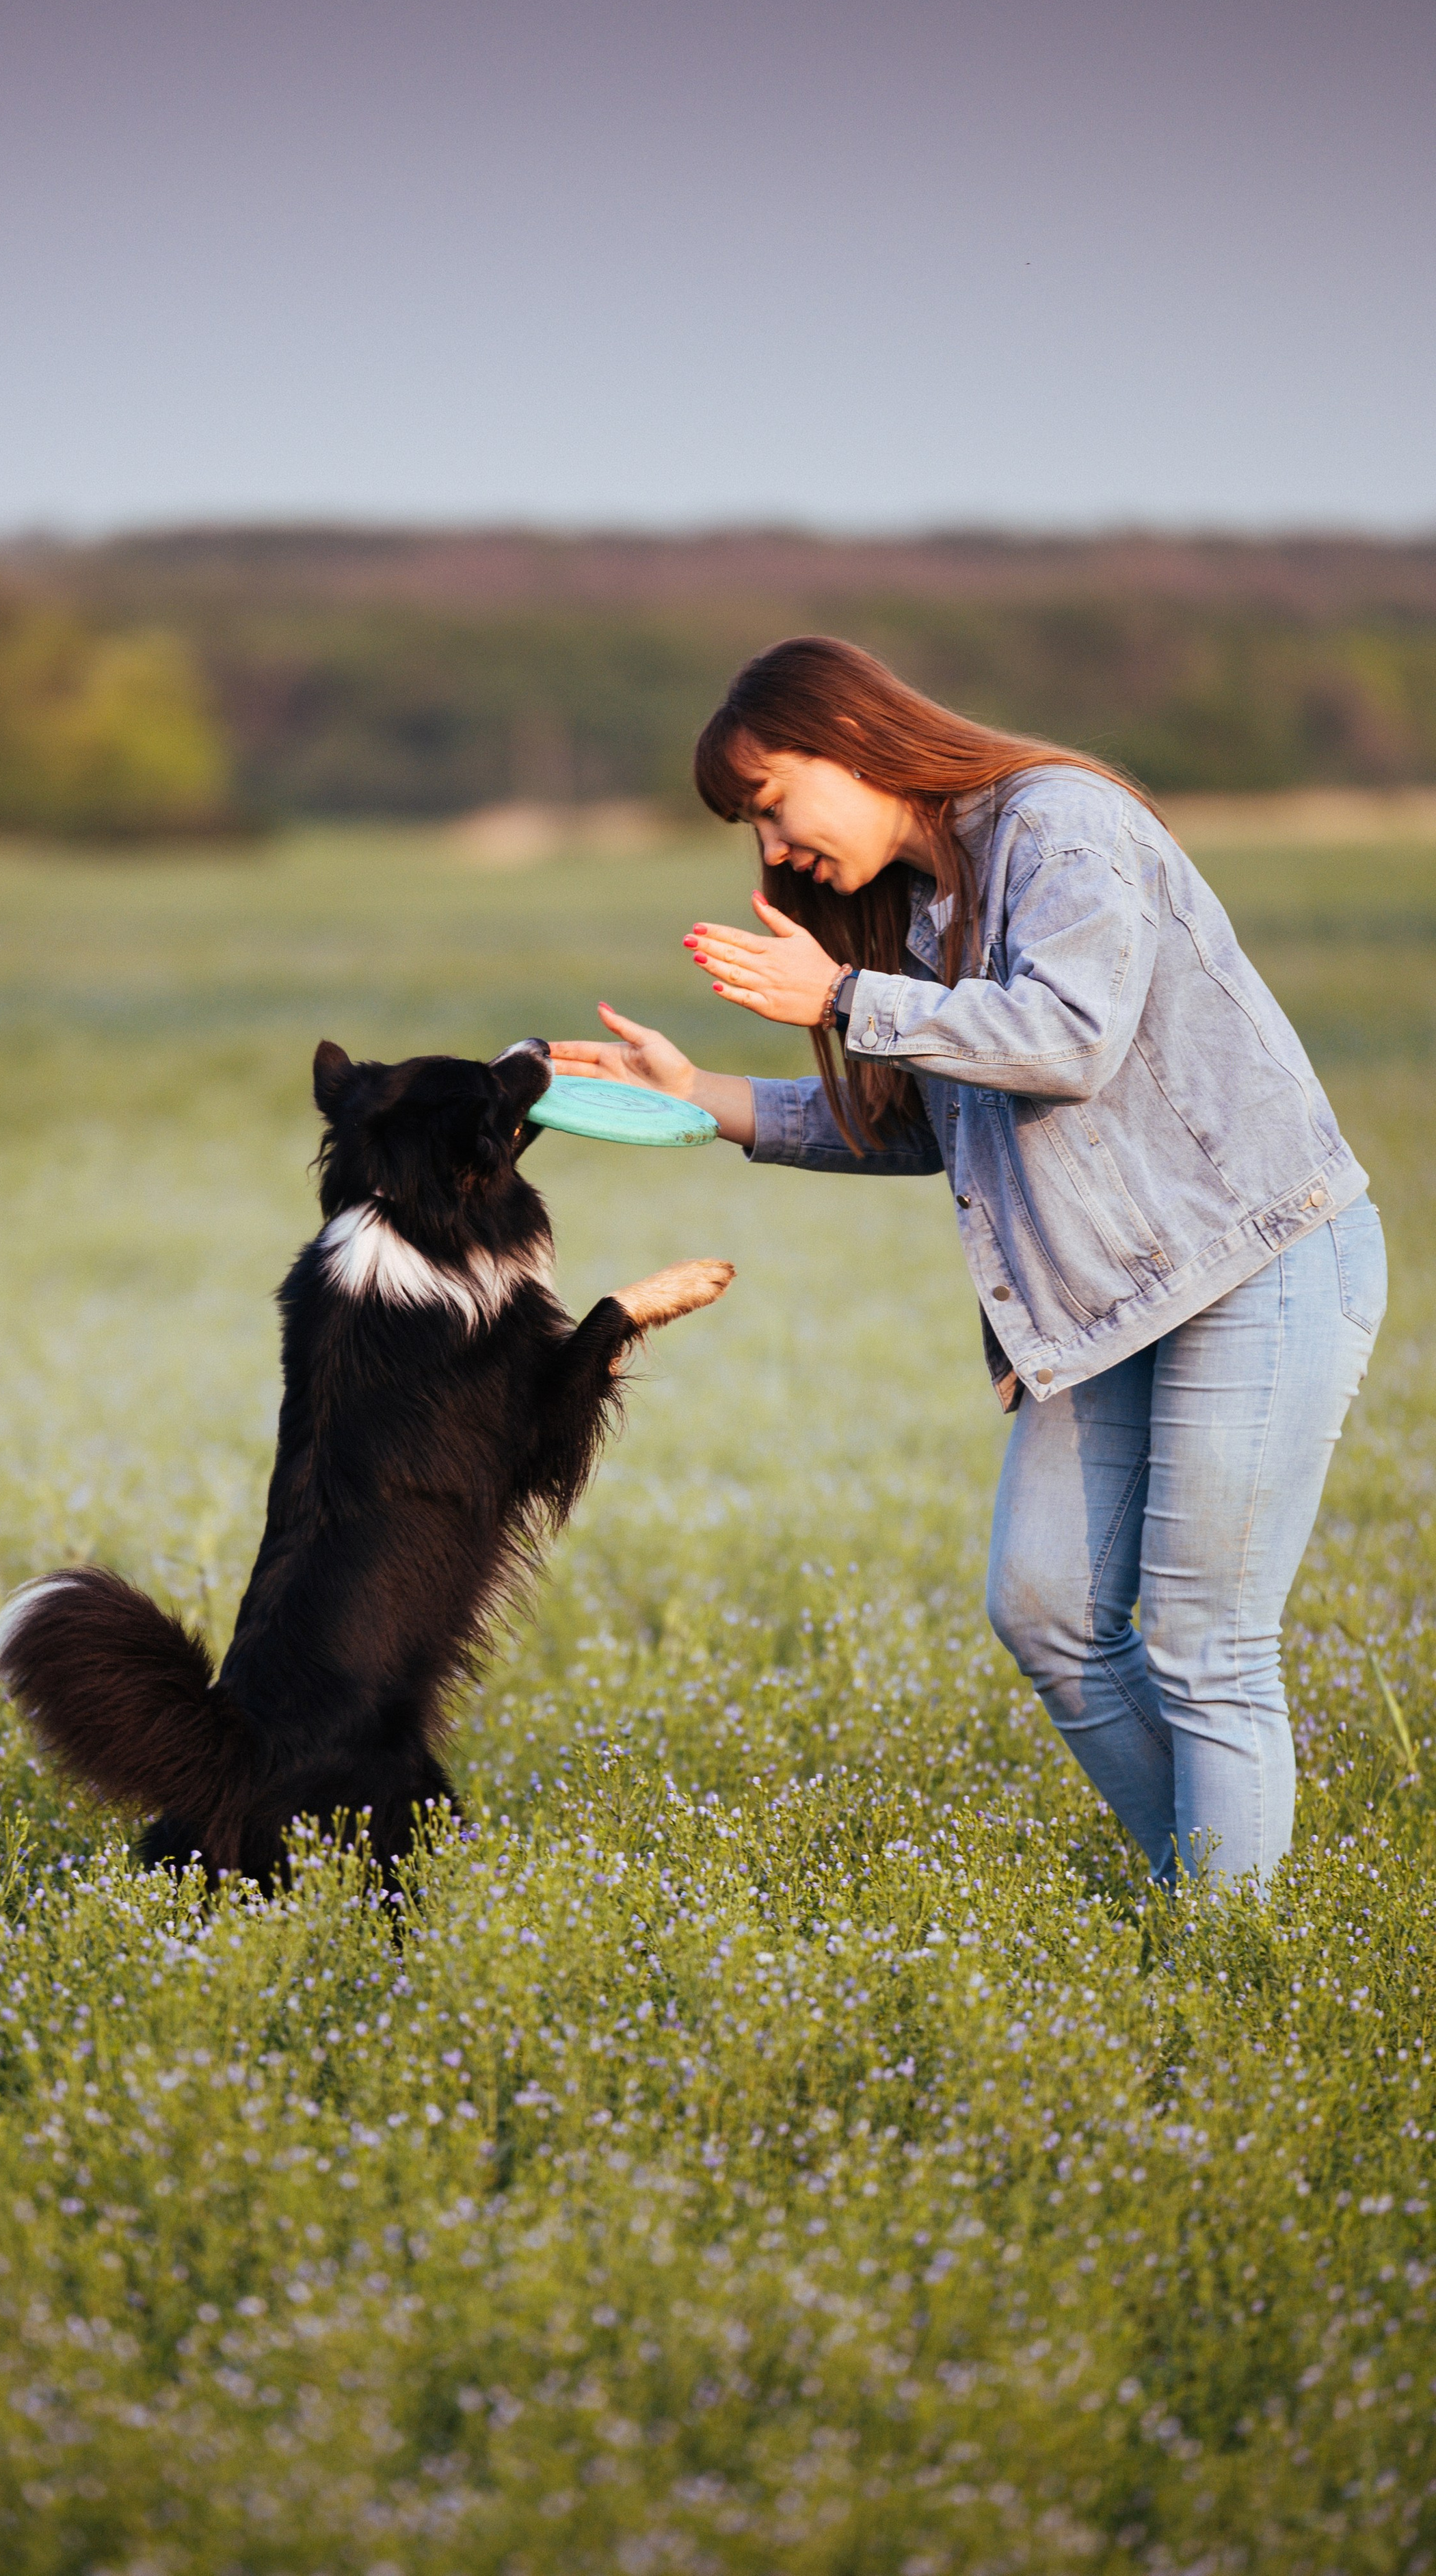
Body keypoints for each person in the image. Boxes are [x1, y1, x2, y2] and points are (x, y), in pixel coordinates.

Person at [553, 636, 1387, 1891]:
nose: (771, 850)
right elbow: (921, 1123)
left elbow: (1071, 1037)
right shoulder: (926, 910)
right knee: (1048, 1609)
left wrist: (841, 995)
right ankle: (1215, 1896)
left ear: (852, 739)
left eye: (769, 803)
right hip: (1101, 1299)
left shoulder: (1060, 822)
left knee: (1207, 1640)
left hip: (1254, 1258)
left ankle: (1230, 1948)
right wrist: (699, 1095)